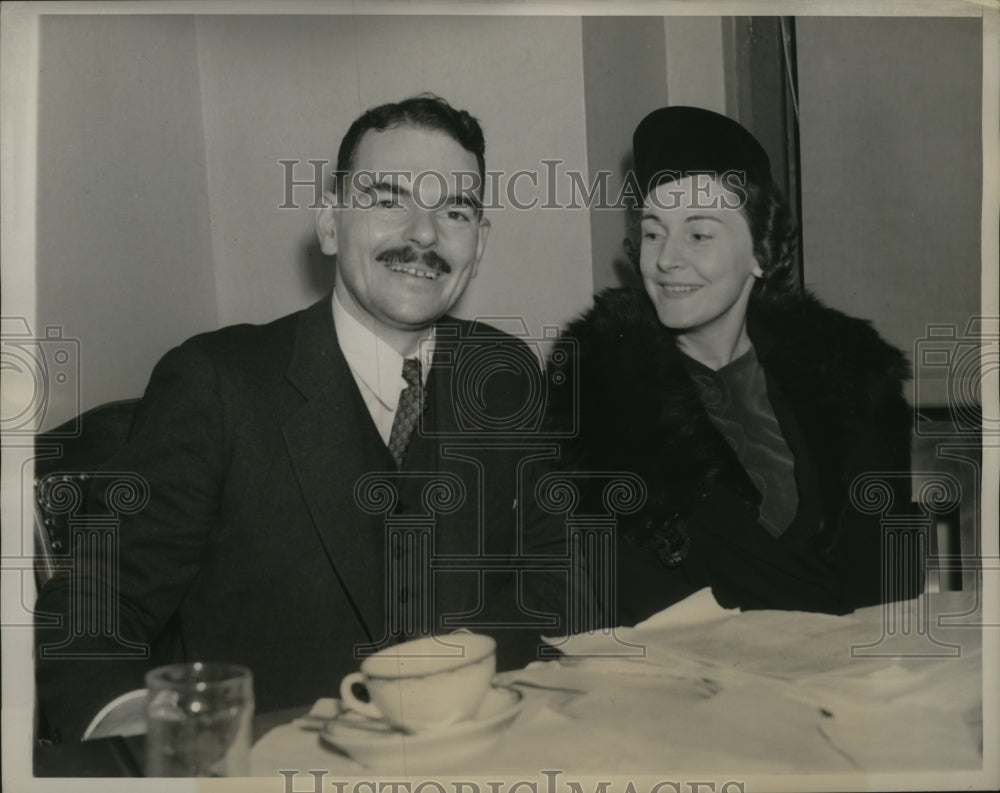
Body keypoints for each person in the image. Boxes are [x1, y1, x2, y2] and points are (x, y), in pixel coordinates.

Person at [35, 94, 572, 742]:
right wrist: (165, 750)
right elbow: (94, 611)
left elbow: (556, 578)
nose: (424, 234)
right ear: (327, 224)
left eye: (454, 209)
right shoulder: (216, 383)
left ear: (478, 245)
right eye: (388, 198)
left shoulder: (506, 373)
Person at [546, 106, 919, 626]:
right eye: (654, 233)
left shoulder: (852, 380)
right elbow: (635, 601)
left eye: (699, 234)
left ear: (761, 252)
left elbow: (889, 576)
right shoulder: (599, 399)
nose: (667, 259)